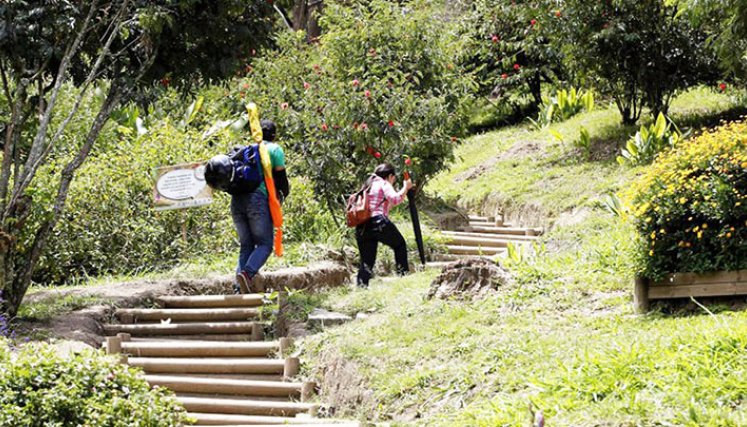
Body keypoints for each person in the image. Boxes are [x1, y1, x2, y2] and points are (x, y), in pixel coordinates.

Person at [205, 119, 289, 294]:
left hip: (237, 201)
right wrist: (281, 196)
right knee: (265, 244)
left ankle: (239, 287)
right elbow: (282, 180)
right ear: (274, 135)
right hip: (257, 200)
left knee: (246, 245)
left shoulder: (247, 151)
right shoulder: (274, 149)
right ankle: (248, 273)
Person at [355, 163, 413, 288]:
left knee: (366, 261)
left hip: (362, 225)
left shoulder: (368, 184)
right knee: (400, 245)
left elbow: (387, 203)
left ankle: (361, 288)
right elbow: (395, 198)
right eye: (393, 178)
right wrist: (406, 187)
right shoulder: (383, 183)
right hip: (378, 222)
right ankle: (403, 278)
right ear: (390, 176)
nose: (393, 181)